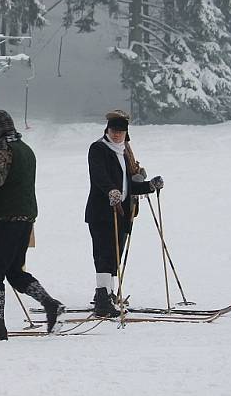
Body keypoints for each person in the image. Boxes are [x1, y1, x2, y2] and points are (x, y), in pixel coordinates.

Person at [0, 110, 64, 341]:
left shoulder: (3, 149)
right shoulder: (26, 149)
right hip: (26, 217)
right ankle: (50, 304)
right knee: (14, 271)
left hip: (6, 217)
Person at [85, 110, 163, 317]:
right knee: (104, 253)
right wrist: (111, 190)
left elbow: (128, 186)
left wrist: (149, 186)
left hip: (122, 213)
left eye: (121, 132)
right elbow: (99, 176)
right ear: (107, 130)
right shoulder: (98, 149)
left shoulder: (123, 152)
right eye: (114, 131)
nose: (117, 135)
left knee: (114, 256)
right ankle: (102, 298)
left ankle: (109, 294)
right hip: (102, 212)